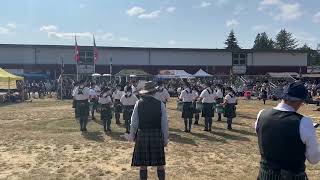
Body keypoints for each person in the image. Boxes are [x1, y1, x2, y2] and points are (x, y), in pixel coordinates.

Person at [255, 82, 320, 179]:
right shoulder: (304, 122)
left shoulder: (261, 114)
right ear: (299, 101)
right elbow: (314, 159)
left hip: (265, 175)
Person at [128, 81, 169, 180]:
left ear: (145, 92)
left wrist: (132, 135)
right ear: (154, 92)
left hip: (142, 134)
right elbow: (164, 123)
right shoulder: (160, 104)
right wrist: (165, 138)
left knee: (143, 164)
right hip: (156, 134)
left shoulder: (138, 103)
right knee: (160, 164)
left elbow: (134, 122)